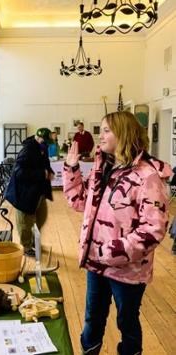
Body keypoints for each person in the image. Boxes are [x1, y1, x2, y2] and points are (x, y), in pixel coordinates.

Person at [62, 111, 172, 355]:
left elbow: (153, 229)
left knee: (127, 322)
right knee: (93, 318)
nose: (100, 136)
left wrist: (110, 251)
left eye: (107, 130)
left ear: (123, 134)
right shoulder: (104, 169)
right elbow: (80, 201)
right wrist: (71, 168)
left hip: (128, 270)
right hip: (96, 263)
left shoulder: (148, 176)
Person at [5, 127, 54, 257]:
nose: (47, 144)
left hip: (37, 191)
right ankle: (26, 247)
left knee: (41, 218)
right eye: (46, 141)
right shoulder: (28, 150)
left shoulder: (41, 148)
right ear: (39, 138)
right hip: (24, 193)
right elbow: (18, 172)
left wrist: (49, 172)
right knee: (25, 223)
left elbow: (45, 164)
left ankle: (33, 242)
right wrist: (41, 174)